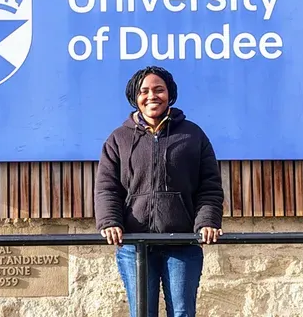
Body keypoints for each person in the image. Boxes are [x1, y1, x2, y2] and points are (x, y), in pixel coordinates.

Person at [94, 66, 224, 317]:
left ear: (170, 94)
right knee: (142, 313)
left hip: (182, 244)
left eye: (159, 90)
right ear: (135, 97)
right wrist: (110, 221)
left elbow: (209, 187)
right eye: (144, 91)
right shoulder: (118, 139)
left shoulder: (193, 135)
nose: (152, 96)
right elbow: (107, 188)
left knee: (182, 313)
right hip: (135, 245)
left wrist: (207, 221)